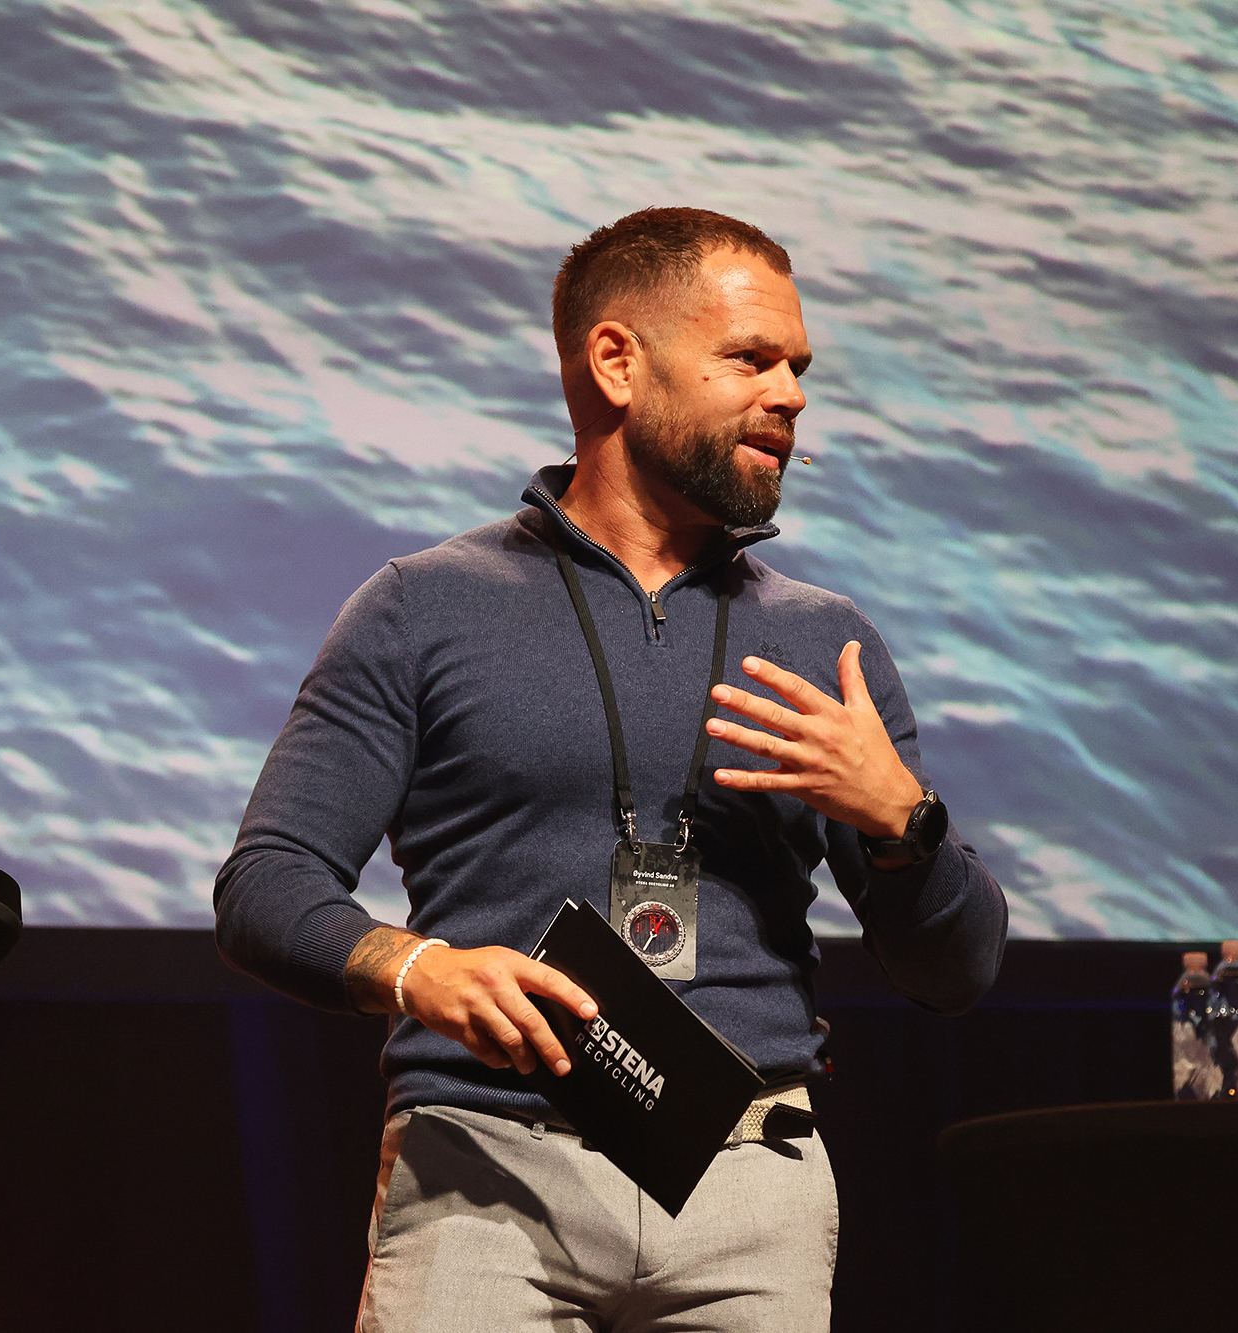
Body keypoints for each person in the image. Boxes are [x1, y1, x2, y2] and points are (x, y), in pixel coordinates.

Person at [214, 206, 1008, 1331]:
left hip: (747, 1195)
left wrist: (902, 824)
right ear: (616, 362)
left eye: (798, 368)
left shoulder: (824, 642)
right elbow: (265, 884)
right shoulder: (422, 608)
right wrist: (414, 966)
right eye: (749, 358)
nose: (788, 395)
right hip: (483, 1172)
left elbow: (956, 970)